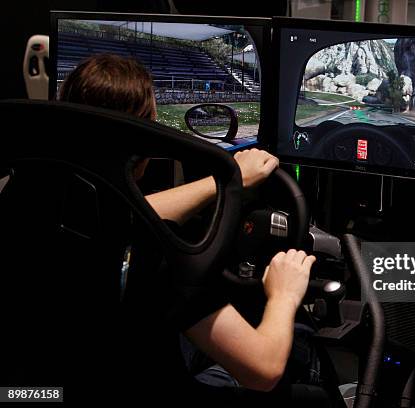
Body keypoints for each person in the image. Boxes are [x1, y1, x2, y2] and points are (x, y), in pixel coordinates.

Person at [58, 54, 316, 392]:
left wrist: (230, 178)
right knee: (301, 353)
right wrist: (284, 293)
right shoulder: (155, 252)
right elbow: (263, 370)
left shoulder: (31, 200)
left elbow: (136, 210)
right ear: (143, 139)